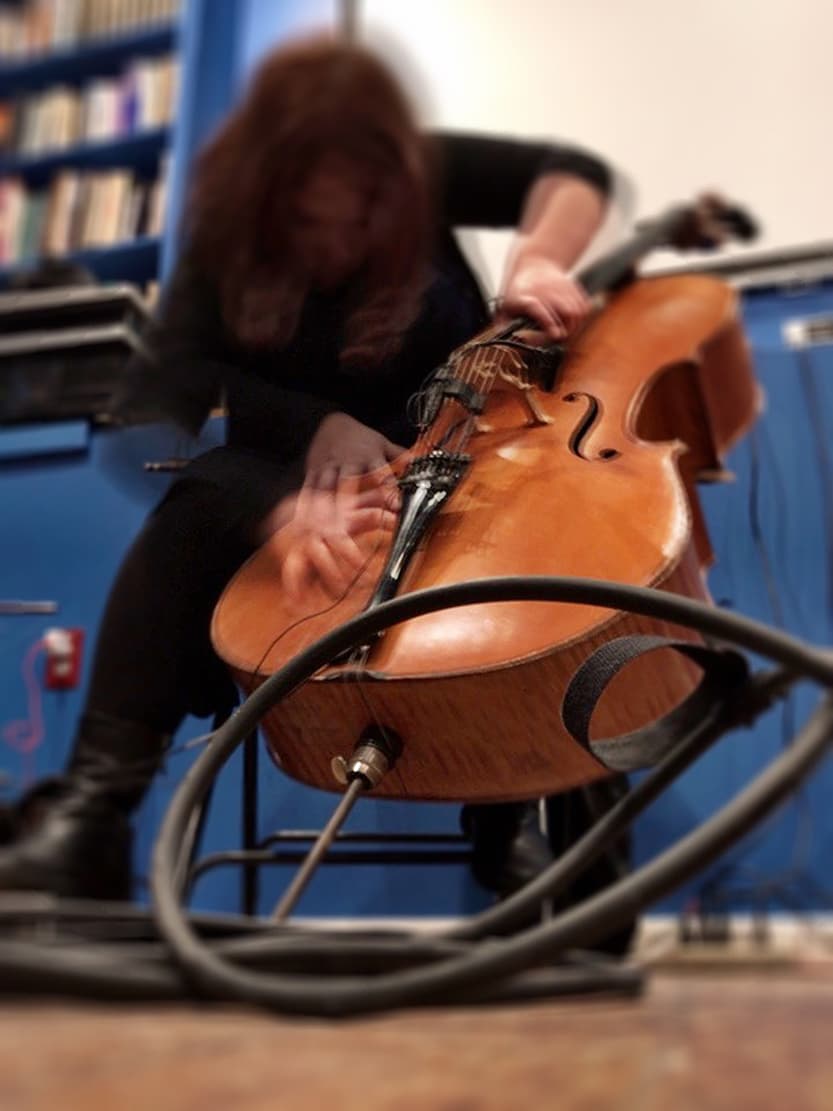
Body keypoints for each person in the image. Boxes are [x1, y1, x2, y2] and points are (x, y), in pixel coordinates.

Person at [0, 37, 629, 935]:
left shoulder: (419, 169)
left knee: (559, 538)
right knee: (199, 498)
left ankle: (538, 825)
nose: (336, 245)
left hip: (453, 468)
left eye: (361, 216)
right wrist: (293, 478)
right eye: (306, 221)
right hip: (285, 508)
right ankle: (89, 823)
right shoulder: (221, 245)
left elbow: (574, 174)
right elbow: (145, 416)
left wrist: (535, 257)